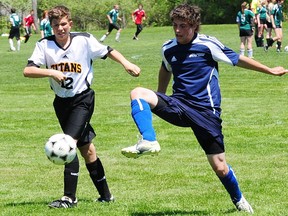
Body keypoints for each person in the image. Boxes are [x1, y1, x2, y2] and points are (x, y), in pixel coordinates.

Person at [121, 4, 288, 213]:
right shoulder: (168, 48)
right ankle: (149, 140)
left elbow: (237, 59)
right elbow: (166, 68)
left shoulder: (207, 45)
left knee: (219, 166)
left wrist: (269, 70)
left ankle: (238, 200)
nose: (178, 30)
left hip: (206, 112)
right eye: (175, 25)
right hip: (179, 105)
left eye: (183, 26)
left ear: (194, 26)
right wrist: (159, 96)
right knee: (137, 92)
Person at [23, 5, 140, 209]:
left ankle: (69, 198)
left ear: (70, 24)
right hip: (61, 103)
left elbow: (108, 51)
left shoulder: (83, 40)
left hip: (83, 100)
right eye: (55, 25)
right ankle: (106, 197)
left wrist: (126, 63)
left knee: (68, 144)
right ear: (50, 27)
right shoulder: (44, 45)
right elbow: (28, 70)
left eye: (63, 24)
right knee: (87, 150)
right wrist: (51, 73)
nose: (60, 29)